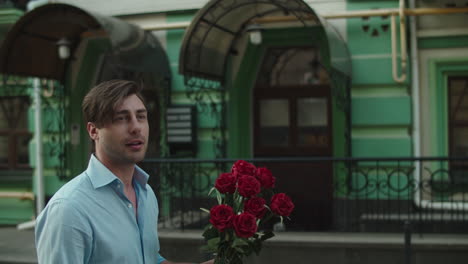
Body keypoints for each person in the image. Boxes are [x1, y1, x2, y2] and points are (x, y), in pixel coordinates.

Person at [35, 80, 213, 264]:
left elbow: (149, 260)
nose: (136, 127)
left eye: (141, 116)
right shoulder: (69, 209)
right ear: (93, 130)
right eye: (121, 118)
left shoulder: (146, 193)